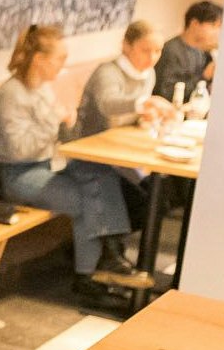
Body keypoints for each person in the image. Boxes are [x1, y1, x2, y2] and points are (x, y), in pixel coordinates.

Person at [0, 23, 139, 303]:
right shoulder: (13, 95)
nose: (63, 66)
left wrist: (63, 124)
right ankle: (89, 275)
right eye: (59, 59)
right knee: (85, 200)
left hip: (46, 165)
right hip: (19, 175)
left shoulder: (42, 89)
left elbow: (55, 134)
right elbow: (17, 149)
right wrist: (55, 122)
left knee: (102, 175)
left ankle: (111, 253)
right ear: (39, 59)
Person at [74, 19, 177, 227]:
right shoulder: (108, 72)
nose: (152, 57)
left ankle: (116, 248)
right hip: (93, 152)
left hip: (120, 151)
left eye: (158, 51)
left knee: (160, 199)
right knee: (143, 200)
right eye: (145, 50)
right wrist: (145, 104)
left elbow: (134, 114)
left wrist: (146, 116)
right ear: (126, 46)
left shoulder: (148, 74)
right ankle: (110, 252)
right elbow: (108, 105)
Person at [153, 0, 222, 105]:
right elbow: (165, 92)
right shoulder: (171, 50)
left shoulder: (203, 52)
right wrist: (204, 76)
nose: (217, 32)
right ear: (194, 24)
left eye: (219, 27)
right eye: (213, 25)